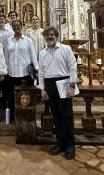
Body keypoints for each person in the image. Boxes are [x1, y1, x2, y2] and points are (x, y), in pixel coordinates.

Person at [38, 26, 77, 160]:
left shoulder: (65, 49)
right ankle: (60, 142)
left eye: (52, 34)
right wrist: (42, 89)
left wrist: (72, 86)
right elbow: (41, 72)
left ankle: (70, 144)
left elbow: (73, 67)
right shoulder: (42, 53)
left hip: (64, 83)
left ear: (57, 36)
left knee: (66, 115)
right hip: (50, 84)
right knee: (56, 116)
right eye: (47, 35)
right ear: (45, 37)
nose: (49, 36)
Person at [7, 20, 38, 122]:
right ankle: (13, 118)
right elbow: (6, 56)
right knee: (12, 97)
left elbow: (33, 55)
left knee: (26, 96)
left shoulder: (28, 40)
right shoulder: (9, 40)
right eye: (14, 26)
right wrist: (6, 69)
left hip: (25, 73)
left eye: (18, 25)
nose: (16, 27)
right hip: (12, 73)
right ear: (12, 28)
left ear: (22, 27)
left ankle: (27, 117)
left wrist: (36, 70)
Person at [0, 14, 12, 108]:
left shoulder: (9, 32)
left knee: (6, 82)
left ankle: (6, 101)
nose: (0, 20)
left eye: (2, 19)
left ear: (5, 20)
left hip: (6, 59)